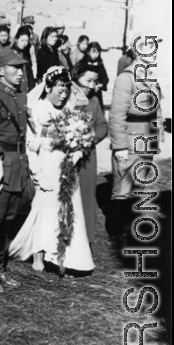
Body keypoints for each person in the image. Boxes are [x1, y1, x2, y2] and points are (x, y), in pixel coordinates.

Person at [9, 66, 95, 278]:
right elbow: (31, 146)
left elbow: (77, 136)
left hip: (66, 167)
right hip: (46, 166)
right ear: (47, 87)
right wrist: (39, 174)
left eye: (66, 90)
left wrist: (76, 153)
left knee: (67, 210)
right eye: (59, 89)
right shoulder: (38, 109)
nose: (63, 94)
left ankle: (65, 257)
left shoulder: (68, 110)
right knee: (44, 210)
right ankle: (39, 258)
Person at [0, 49, 31, 292]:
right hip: (3, 163)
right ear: (0, 71)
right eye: (15, 68)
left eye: (21, 68)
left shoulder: (19, 96)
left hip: (18, 162)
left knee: (8, 218)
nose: (21, 72)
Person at [107, 33, 165, 238]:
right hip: (129, 140)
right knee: (122, 186)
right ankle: (116, 232)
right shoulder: (126, 78)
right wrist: (119, 146)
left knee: (140, 182)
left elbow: (156, 108)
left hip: (146, 138)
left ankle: (133, 226)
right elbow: (116, 115)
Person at [71, 62, 108, 244]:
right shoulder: (64, 98)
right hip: (67, 157)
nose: (91, 86)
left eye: (94, 82)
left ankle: (85, 243)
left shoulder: (94, 100)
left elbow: (102, 125)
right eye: (88, 81)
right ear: (76, 78)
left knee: (86, 198)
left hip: (88, 157)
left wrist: (91, 137)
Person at [77, 41, 109, 111]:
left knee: (97, 110)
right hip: (85, 92)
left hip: (97, 92)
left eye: (97, 52)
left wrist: (101, 84)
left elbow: (105, 78)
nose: (95, 55)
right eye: (93, 52)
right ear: (88, 52)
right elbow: (76, 77)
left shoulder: (100, 64)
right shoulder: (82, 64)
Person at [11, 26, 35, 92]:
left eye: (26, 41)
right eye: (22, 40)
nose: (24, 43)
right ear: (16, 39)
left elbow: (29, 72)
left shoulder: (26, 53)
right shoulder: (12, 53)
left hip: (27, 88)